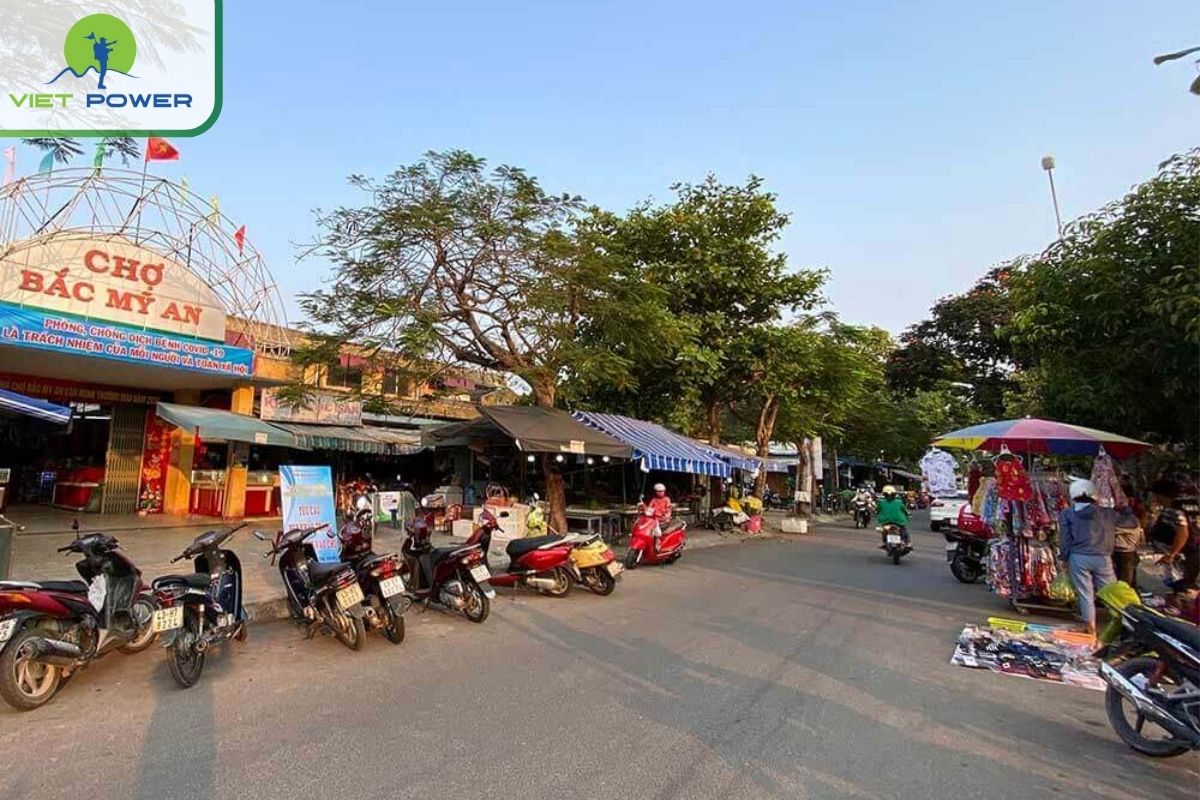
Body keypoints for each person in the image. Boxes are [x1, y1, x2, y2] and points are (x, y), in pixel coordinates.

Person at [1058, 479, 1134, 635]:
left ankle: (1090, 627)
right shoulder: (1108, 513)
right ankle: (1124, 622)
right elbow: (1131, 523)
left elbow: (1065, 538)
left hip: (1078, 557)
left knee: (1085, 593)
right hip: (1103, 557)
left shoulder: (1068, 513)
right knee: (1111, 591)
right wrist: (1126, 509)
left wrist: (1064, 557)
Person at [1148, 478, 1199, 593]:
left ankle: (1187, 608)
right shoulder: (1188, 505)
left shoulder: (1174, 510)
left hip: (1184, 554)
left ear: (1161, 495)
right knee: (1184, 585)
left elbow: (1183, 532)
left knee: (1182, 586)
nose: (1154, 497)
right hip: (1190, 552)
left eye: (1155, 494)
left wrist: (1172, 554)